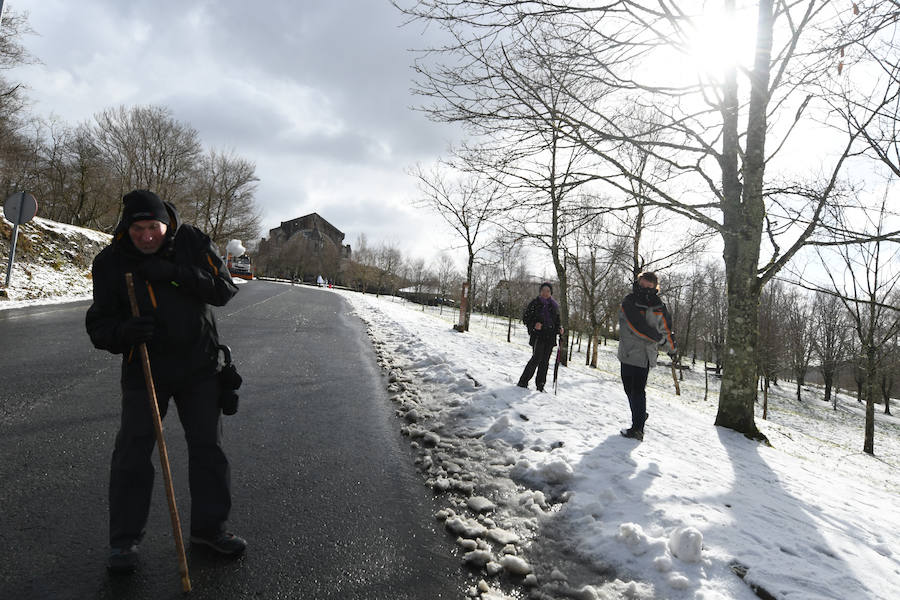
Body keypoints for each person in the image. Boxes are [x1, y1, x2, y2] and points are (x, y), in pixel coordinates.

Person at [86, 190, 246, 574]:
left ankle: (210, 530)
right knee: (132, 454)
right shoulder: (111, 261)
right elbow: (98, 325)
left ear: (166, 224)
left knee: (208, 450)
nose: (146, 236)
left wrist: (176, 275)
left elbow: (224, 289)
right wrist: (125, 331)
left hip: (200, 368)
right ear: (128, 227)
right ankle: (124, 543)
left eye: (153, 227)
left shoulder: (192, 242)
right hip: (144, 368)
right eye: (138, 228)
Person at [617, 271, 676, 441]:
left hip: (645, 355)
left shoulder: (659, 306)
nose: (645, 289)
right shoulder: (629, 301)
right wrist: (657, 337)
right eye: (642, 285)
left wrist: (671, 348)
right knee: (629, 389)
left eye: (649, 287)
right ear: (638, 282)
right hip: (627, 351)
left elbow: (666, 328)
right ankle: (640, 414)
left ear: (655, 288)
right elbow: (636, 325)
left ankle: (637, 429)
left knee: (638, 391)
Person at [517, 282, 563, 392]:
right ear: (540, 292)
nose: (545, 293)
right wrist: (534, 325)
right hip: (538, 336)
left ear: (551, 293)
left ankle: (540, 385)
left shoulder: (554, 306)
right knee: (536, 359)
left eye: (547, 291)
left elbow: (557, 322)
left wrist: (560, 329)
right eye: (543, 290)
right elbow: (526, 318)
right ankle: (523, 382)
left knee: (545, 362)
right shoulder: (535, 303)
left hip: (550, 337)